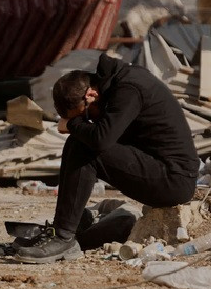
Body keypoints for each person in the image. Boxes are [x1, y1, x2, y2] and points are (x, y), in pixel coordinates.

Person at [15, 53, 200, 264]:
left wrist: (72, 124)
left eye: (85, 115)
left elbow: (102, 139)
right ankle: (63, 230)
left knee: (85, 146)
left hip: (174, 181)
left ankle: (64, 237)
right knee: (79, 143)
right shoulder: (117, 84)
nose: (89, 119)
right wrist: (78, 125)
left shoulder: (129, 89)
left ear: (91, 94)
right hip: (159, 168)